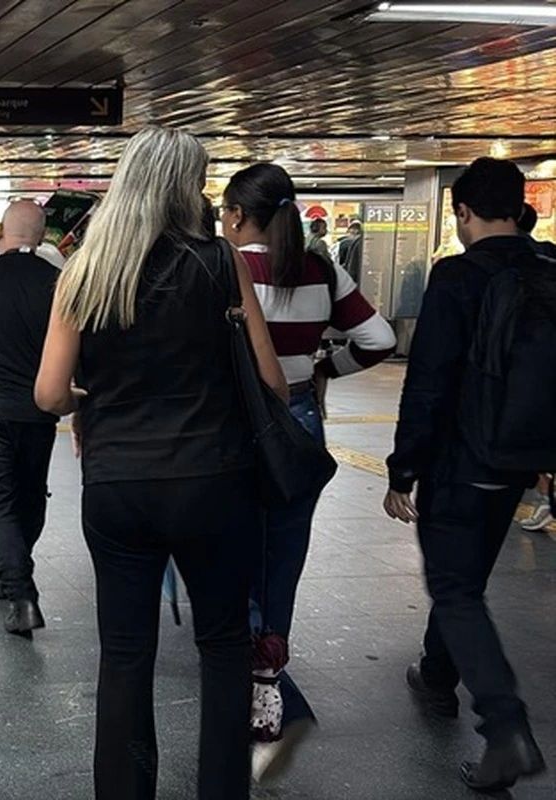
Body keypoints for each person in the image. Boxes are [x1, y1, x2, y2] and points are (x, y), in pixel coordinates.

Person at [35, 126, 286, 800]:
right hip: (212, 481)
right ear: (186, 189)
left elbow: (49, 393)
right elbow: (272, 385)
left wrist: (100, 393)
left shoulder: (85, 271)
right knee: (224, 646)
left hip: (117, 486)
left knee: (124, 655)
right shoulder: (220, 262)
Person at [220, 163, 396, 782]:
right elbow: (376, 337)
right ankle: (270, 683)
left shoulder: (226, 266)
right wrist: (326, 371)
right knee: (282, 564)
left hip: (238, 424)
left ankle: (275, 699)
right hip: (299, 421)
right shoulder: (321, 269)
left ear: (239, 216)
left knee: (222, 559)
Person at [385, 157, 548, 792]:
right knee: (467, 571)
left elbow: (427, 381)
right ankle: (435, 673)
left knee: (455, 588)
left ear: (462, 214)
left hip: (462, 459)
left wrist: (403, 469)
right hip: (519, 459)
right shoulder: (548, 268)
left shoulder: (456, 276)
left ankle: (505, 727)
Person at [0, 199, 58, 637]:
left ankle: (19, 592)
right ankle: (13, 572)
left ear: (1, 233)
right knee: (31, 495)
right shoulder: (59, 283)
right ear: (41, 238)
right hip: (42, 411)